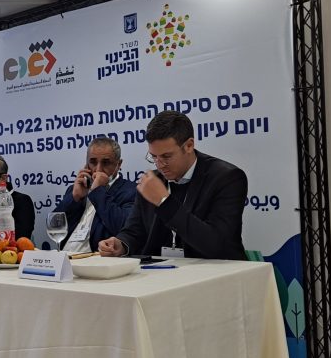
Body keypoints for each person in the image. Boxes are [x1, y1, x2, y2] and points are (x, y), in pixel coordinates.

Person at [98, 110, 248, 260]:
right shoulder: (153, 180)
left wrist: (164, 202)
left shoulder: (226, 178)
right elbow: (134, 231)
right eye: (154, 157)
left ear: (189, 145)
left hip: (217, 269)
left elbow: (216, 244)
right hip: (161, 269)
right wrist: (121, 244)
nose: (159, 164)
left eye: (166, 156)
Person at [54, 137, 136, 252]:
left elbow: (125, 229)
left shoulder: (131, 191)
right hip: (65, 256)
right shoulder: (75, 189)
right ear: (86, 163)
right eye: (93, 162)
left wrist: (98, 192)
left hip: (98, 257)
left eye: (106, 163)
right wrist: (74, 198)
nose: (98, 169)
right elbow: (55, 226)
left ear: (118, 164)